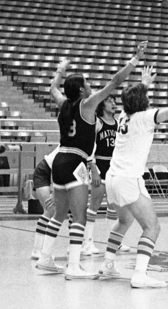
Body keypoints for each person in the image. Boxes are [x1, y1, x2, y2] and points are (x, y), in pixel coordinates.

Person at [35, 41, 147, 280]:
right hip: (76, 161)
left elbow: (52, 88)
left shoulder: (63, 103)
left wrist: (60, 69)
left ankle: (45, 258)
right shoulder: (88, 105)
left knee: (59, 213)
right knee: (79, 216)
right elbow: (115, 82)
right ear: (82, 91)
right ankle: (74, 267)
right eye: (87, 83)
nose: (90, 85)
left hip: (59, 160)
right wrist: (135, 60)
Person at [101, 65, 168, 288]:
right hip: (129, 179)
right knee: (152, 227)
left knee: (124, 220)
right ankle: (140, 274)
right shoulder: (145, 118)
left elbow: (134, 98)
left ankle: (108, 263)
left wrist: (144, 84)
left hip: (112, 178)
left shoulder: (123, 116)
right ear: (143, 102)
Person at [80, 95, 118, 256]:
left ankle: (115, 241)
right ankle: (87, 242)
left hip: (115, 166)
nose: (113, 103)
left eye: (114, 101)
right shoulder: (97, 122)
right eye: (110, 101)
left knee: (114, 205)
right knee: (94, 204)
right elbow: (88, 144)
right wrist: (93, 167)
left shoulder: (118, 123)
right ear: (102, 105)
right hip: (100, 165)